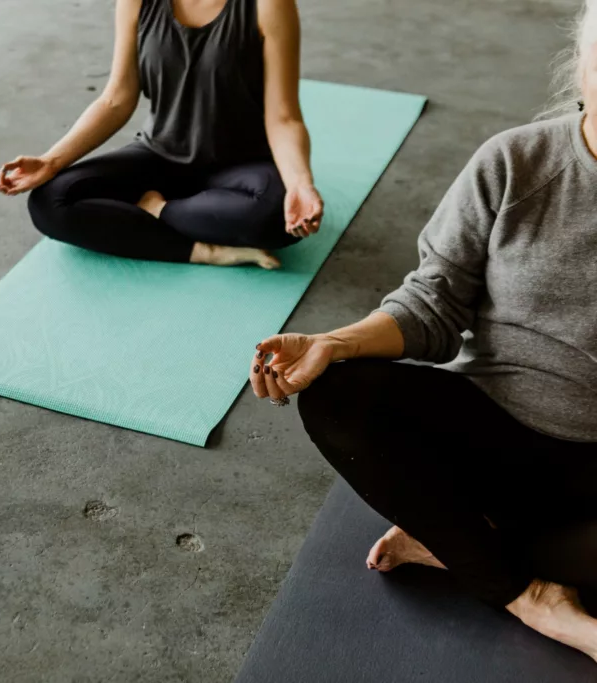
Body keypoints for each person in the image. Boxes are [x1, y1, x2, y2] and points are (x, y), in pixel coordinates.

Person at [248, 0, 597, 661]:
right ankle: (529, 595)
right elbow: (433, 305)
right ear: (581, 66)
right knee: (339, 396)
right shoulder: (515, 163)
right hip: (487, 432)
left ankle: (455, 540)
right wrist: (335, 342)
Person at [0, 0, 324, 269]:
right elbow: (116, 99)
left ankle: (155, 210)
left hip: (240, 166)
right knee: (50, 202)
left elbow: (283, 117)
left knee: (275, 216)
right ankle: (202, 249)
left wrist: (300, 183)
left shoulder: (269, 5)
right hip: (158, 156)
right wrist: (52, 161)